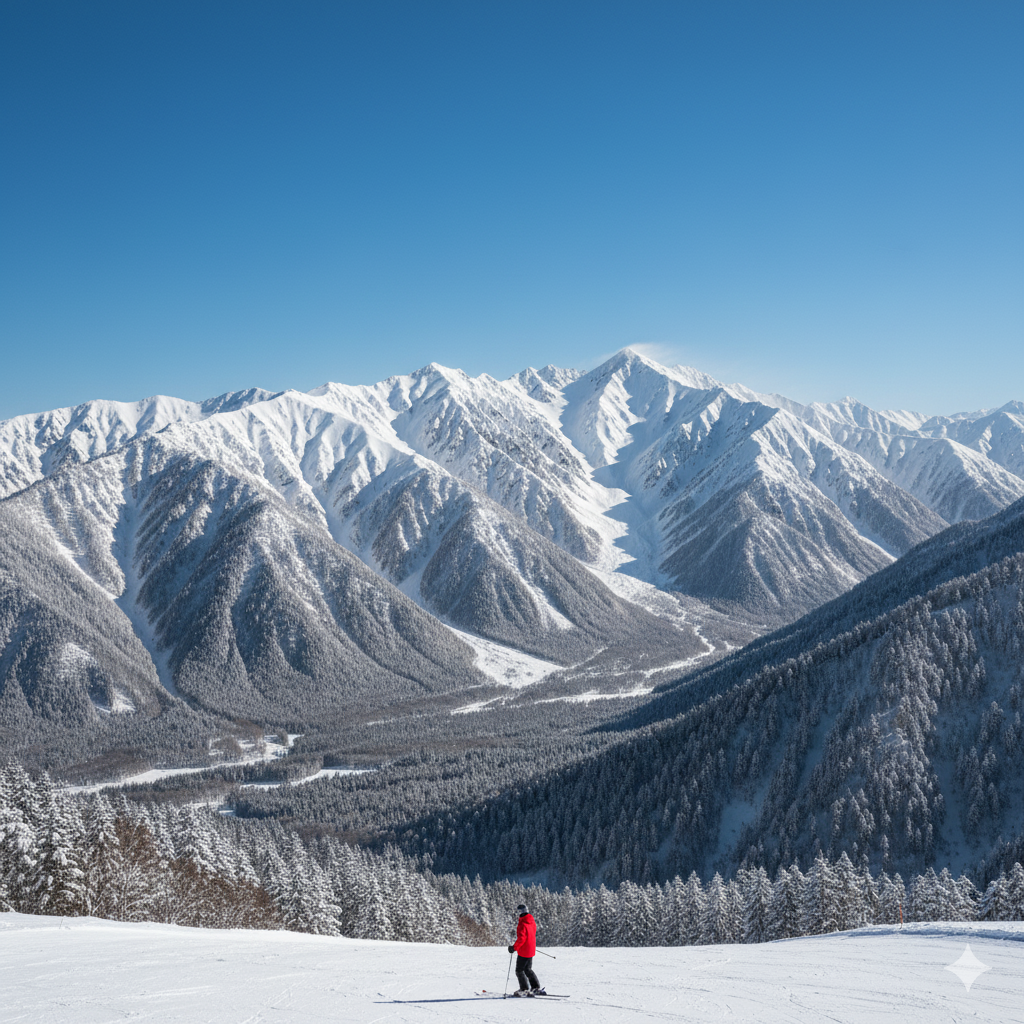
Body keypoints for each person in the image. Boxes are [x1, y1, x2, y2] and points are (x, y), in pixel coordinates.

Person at [507, 904, 546, 996]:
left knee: (519, 970)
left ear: (520, 913)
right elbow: (531, 934)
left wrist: (514, 948)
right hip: (531, 949)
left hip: (524, 951)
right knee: (528, 969)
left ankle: (524, 989)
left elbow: (521, 939)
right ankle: (535, 987)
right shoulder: (532, 922)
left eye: (518, 912)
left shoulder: (522, 924)